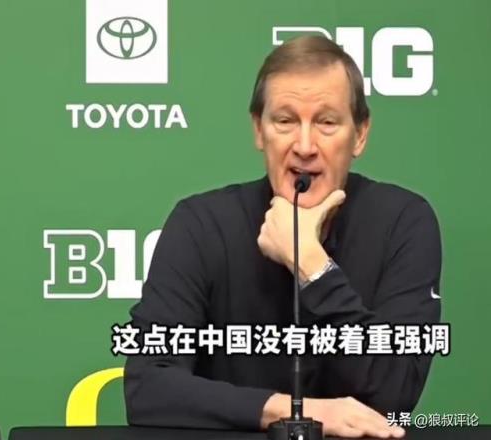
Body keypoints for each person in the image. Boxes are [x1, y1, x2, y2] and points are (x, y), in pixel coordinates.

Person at [124, 35, 442, 439]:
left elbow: (396, 392)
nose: (304, 147)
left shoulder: (403, 222)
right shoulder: (200, 224)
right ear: (259, 130)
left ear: (360, 134)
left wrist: (311, 264)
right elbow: (147, 386)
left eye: (326, 122)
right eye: (285, 121)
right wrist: (296, 413)